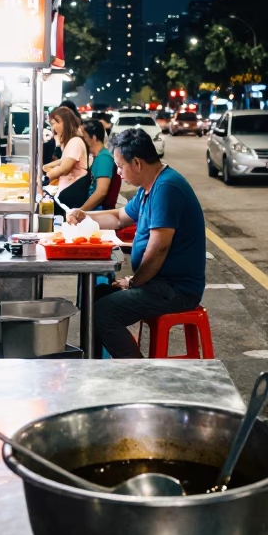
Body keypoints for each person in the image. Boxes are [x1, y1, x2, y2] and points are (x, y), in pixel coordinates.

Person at [67, 127, 205, 359]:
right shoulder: (149, 188)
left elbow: (159, 248)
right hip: (160, 283)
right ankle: (97, 366)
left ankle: (140, 376)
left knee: (104, 312)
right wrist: (83, 215)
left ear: (138, 163)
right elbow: (120, 218)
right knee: (98, 294)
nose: (118, 173)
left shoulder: (166, 188)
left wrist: (134, 283)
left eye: (121, 167)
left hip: (176, 289)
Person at [43, 106, 90, 210]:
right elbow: (64, 160)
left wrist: (45, 178)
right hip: (66, 190)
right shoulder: (70, 141)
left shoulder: (75, 142)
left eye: (53, 123)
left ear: (62, 122)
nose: (52, 128)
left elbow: (64, 168)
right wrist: (46, 167)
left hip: (72, 193)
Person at [78, 120, 117, 212]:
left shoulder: (104, 158)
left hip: (96, 209)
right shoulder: (97, 157)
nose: (81, 141)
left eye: (83, 137)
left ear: (93, 138)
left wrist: (82, 211)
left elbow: (101, 192)